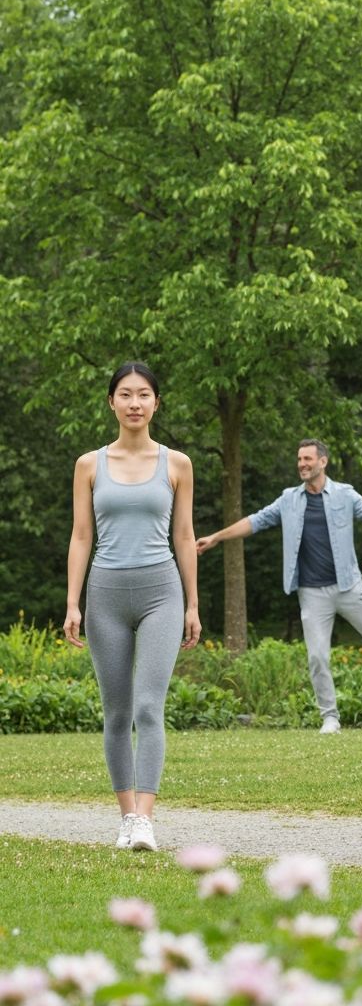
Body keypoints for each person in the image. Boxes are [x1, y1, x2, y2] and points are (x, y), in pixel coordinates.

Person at [196, 439, 362, 732]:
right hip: (311, 592)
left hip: (349, 586)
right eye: (299, 459)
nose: (302, 464)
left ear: (323, 462)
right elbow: (255, 521)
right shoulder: (288, 499)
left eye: (308, 459)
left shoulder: (344, 495)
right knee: (317, 656)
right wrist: (216, 538)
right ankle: (330, 717)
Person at [63, 362, 201, 852]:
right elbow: (82, 536)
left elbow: (184, 536)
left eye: (144, 394)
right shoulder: (89, 464)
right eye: (126, 394)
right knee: (117, 711)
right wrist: (73, 601)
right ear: (112, 403)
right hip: (104, 593)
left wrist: (193, 603)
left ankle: (145, 818)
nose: (135, 403)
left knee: (149, 705)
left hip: (162, 591)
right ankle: (126, 817)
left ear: (156, 403)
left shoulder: (177, 464)